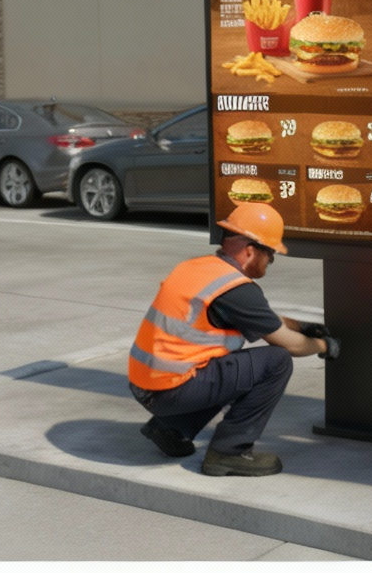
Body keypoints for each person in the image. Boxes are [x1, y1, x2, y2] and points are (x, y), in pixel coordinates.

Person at [128, 202, 340, 477]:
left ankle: (172, 429)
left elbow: (259, 317)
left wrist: (302, 325)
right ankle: (229, 452)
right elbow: (291, 345)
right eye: (271, 254)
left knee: (227, 366)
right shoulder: (236, 290)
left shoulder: (199, 268)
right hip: (171, 390)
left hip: (146, 383)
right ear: (251, 251)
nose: (271, 261)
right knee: (275, 362)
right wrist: (324, 346)